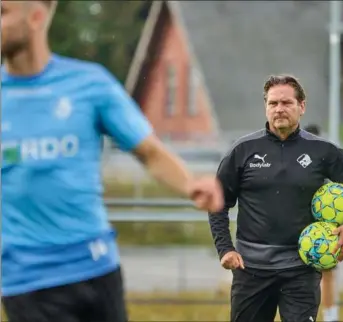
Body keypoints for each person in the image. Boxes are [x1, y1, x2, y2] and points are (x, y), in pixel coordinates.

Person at [1, 1, 224, 322]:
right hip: (28, 280)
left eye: (2, 12)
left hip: (95, 268)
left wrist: (190, 183)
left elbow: (148, 151)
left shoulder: (90, 86)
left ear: (36, 17)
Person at [209, 74, 343, 322]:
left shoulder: (322, 151)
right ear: (265, 107)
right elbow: (217, 201)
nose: (279, 109)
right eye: (273, 103)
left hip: (302, 268)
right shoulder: (242, 150)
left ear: (302, 106)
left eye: (286, 103)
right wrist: (225, 248)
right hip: (251, 269)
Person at [303, 124, 340, 322]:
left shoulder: (327, 168)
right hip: (300, 230)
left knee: (327, 272)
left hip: (325, 229)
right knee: (298, 277)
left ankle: (330, 316)